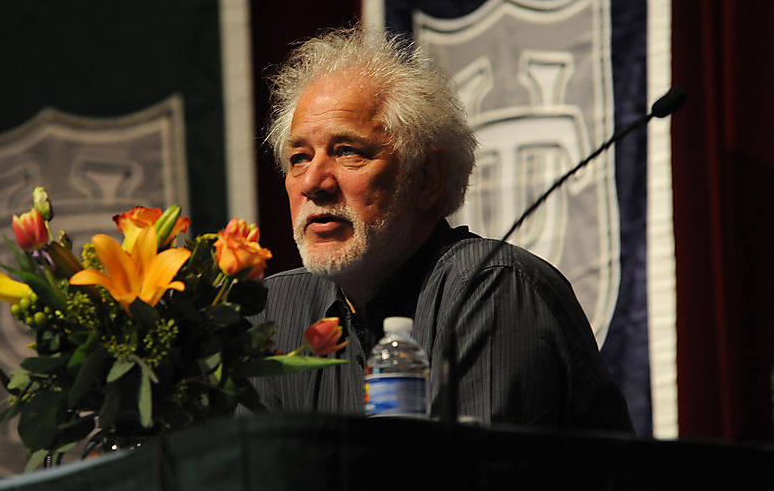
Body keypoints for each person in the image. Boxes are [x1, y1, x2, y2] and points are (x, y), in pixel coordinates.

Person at [252, 26, 634, 433]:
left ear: (427, 178)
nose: (313, 182)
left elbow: (468, 489)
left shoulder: (492, 289)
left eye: (347, 152)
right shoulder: (274, 312)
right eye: (298, 158)